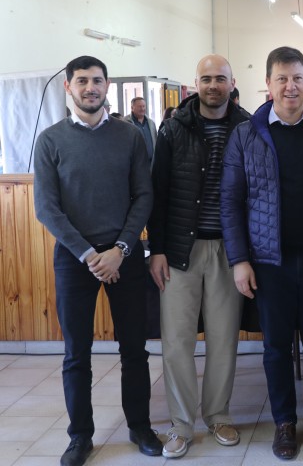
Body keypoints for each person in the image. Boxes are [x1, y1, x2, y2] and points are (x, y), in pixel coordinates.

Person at [33, 55, 162, 466]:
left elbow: (143, 196)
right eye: (82, 81)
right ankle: (80, 437)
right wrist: (90, 255)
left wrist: (120, 250)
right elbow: (47, 208)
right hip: (75, 260)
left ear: (107, 86)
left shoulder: (129, 136)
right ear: (68, 87)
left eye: (98, 80)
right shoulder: (50, 140)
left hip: (124, 256)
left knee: (135, 349)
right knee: (77, 355)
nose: (91, 87)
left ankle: (139, 426)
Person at [220, 46, 303, 461]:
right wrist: (239, 260)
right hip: (267, 263)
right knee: (276, 347)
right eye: (282, 79)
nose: (290, 86)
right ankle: (285, 423)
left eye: (297, 78)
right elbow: (231, 202)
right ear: (268, 85)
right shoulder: (247, 134)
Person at [147, 54, 250, 458]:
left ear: (232, 83)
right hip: (179, 250)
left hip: (230, 249)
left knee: (224, 339)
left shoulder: (247, 127)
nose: (213, 85)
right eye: (206, 79)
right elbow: (158, 193)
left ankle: (219, 414)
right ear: (195, 84)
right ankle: (180, 425)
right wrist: (156, 249)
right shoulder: (173, 129)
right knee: (177, 342)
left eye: (220, 79)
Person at [129, 96, 158, 163]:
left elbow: (155, 141)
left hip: (151, 163)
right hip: (134, 164)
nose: (142, 109)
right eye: (139, 106)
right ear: (132, 108)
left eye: (143, 106)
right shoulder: (125, 122)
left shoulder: (151, 123)